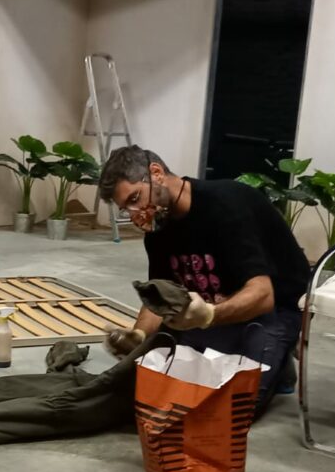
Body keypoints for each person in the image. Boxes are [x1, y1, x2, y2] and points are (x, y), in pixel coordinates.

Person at [97, 145, 310, 417]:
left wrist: (208, 315)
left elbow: (263, 295)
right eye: (126, 208)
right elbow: (161, 294)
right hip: (217, 307)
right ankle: (264, 354)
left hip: (276, 306)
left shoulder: (227, 205)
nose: (135, 212)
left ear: (156, 173)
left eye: (135, 198)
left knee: (230, 407)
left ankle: (277, 353)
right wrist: (137, 336)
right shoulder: (159, 228)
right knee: (158, 384)